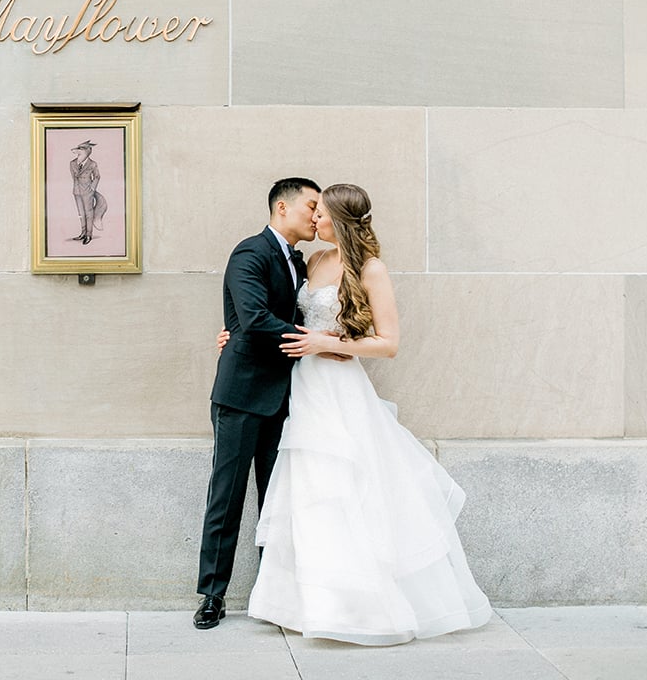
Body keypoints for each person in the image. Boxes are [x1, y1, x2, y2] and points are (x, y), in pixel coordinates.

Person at [243, 183, 492, 645]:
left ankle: (359, 608)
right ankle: (309, 605)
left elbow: (389, 343)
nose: (314, 218)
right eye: (312, 209)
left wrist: (327, 343)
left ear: (338, 219)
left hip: (340, 388)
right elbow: (276, 314)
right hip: (303, 387)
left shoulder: (370, 269)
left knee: (346, 487)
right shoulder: (314, 262)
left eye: (321, 212)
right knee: (310, 489)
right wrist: (234, 332)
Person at [193, 177, 323, 630]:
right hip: (243, 394)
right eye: (311, 206)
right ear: (282, 207)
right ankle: (212, 594)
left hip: (287, 397)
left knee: (277, 499)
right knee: (226, 497)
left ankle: (274, 594)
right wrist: (312, 339)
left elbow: (286, 313)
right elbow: (251, 316)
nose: (316, 215)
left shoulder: (303, 264)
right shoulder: (250, 252)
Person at [69, 140, 107, 244]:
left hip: (88, 191)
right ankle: (83, 233)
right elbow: (74, 177)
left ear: (87, 151)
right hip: (77, 191)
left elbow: (97, 176)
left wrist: (92, 188)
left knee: (88, 214)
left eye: (81, 149)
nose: (78, 150)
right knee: (81, 213)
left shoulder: (92, 164)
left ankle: (89, 235)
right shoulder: (72, 163)